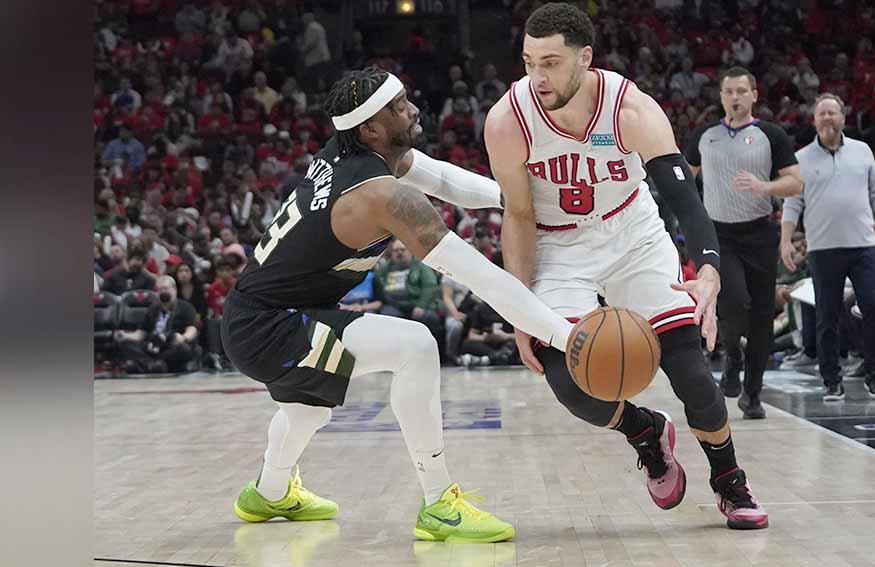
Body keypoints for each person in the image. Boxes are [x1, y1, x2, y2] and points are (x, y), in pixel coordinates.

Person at [221, 66, 577, 543]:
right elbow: (482, 278)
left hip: (262, 316)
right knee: (416, 346)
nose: (412, 109)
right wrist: (566, 335)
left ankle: (267, 493)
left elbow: (447, 181)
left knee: (309, 411)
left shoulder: (361, 153)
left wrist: (524, 202)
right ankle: (438, 504)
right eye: (399, 106)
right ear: (370, 127)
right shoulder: (380, 195)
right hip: (267, 327)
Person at [483, 3, 767, 529]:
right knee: (569, 381)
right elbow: (519, 216)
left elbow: (685, 200)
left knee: (690, 371)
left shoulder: (629, 108)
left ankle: (729, 480)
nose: (536, 76)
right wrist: (521, 309)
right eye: (528, 62)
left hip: (631, 233)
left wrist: (707, 268)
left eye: (550, 62)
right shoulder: (508, 120)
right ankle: (646, 433)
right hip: (559, 246)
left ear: (584, 58)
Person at [684, 66, 804, 419]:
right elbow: (684, 182)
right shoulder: (704, 136)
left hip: (759, 232)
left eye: (741, 91)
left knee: (762, 315)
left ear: (754, 95)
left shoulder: (771, 135)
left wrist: (764, 187)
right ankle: (731, 353)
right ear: (721, 97)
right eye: (728, 92)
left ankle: (752, 393)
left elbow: (796, 183)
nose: (735, 97)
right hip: (718, 234)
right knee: (733, 300)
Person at [781, 93, 875, 401]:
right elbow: (792, 204)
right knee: (826, 316)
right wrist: (785, 240)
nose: (827, 117)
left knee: (873, 307)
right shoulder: (800, 158)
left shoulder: (863, 151)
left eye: (832, 112)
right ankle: (832, 380)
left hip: (863, 246)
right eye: (822, 113)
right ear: (814, 120)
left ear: (843, 117)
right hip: (823, 249)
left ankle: (874, 373)